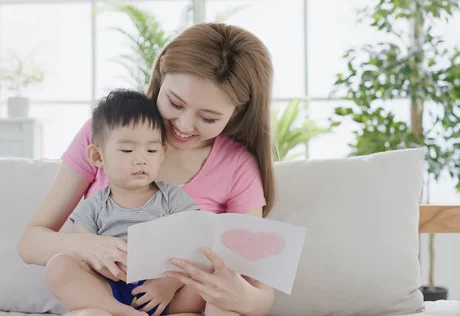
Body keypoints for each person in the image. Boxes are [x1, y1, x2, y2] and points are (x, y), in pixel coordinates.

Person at [18, 22, 276, 316]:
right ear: (160, 77)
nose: (183, 125)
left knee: (223, 299)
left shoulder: (237, 165)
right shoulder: (108, 133)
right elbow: (31, 243)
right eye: (175, 103)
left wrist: (242, 298)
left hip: (181, 301)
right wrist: (85, 245)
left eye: (207, 117)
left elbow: (257, 282)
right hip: (109, 295)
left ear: (236, 113)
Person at [54, 88, 204, 316]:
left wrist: (168, 285)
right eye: (127, 149)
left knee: (215, 269)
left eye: (151, 150)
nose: (141, 159)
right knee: (59, 266)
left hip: (167, 292)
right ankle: (120, 312)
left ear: (162, 154)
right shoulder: (93, 208)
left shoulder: (172, 198)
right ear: (98, 156)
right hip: (111, 289)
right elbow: (86, 252)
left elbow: (195, 245)